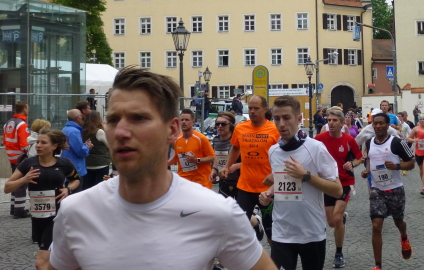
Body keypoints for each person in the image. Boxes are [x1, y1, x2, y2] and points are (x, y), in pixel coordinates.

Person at [49, 67, 275, 270]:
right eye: (114, 119)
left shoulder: (216, 213)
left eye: (139, 118)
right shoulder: (75, 212)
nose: (121, 132)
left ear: (171, 129)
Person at [259, 96, 342, 270]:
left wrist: (306, 176)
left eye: (286, 118)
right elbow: (284, 180)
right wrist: (269, 193)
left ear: (299, 119)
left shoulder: (315, 148)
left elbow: (337, 190)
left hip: (311, 233)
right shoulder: (273, 151)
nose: (281, 124)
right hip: (282, 233)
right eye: (277, 118)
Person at [5, 128, 79, 270]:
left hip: (58, 216)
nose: (38, 145)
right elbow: (7, 187)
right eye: (37, 142)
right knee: (51, 258)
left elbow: (76, 180)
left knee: (40, 262)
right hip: (38, 218)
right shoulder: (28, 164)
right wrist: (24, 179)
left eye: (43, 143)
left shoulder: (64, 163)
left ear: (54, 146)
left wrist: (68, 189)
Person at [360, 111, 415, 270]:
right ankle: (378, 265)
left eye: (381, 123)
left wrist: (397, 166)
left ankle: (404, 236)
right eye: (375, 124)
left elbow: (411, 163)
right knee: (376, 226)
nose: (377, 126)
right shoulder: (369, 143)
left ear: (387, 125)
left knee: (399, 222)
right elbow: (369, 161)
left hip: (395, 189)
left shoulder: (397, 142)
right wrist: (367, 171)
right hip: (377, 190)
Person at [222, 95, 279, 242]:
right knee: (239, 228)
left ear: (265, 109)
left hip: (267, 189)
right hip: (245, 187)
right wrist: (227, 166)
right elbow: (235, 148)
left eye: (256, 108)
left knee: (272, 232)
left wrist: (276, 174)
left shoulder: (274, 129)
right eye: (250, 108)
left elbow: (283, 155)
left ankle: (274, 258)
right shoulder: (241, 128)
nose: (252, 111)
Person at [315, 107, 365, 268]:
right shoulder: (319, 139)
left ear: (342, 123)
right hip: (328, 183)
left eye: (334, 120)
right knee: (331, 222)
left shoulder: (348, 140)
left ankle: (339, 253)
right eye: (329, 120)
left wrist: (352, 164)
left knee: (336, 218)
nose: (331, 123)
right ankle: (342, 219)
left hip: (344, 182)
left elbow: (359, 158)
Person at [167, 108, 215, 189]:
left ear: (193, 122)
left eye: (187, 120)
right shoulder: (177, 139)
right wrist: (164, 164)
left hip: (200, 182)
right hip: (184, 180)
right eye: (182, 120)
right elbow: (177, 157)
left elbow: (212, 158)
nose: (184, 122)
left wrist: (197, 160)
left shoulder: (201, 139)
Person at [3, 101, 31, 218]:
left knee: (14, 182)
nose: (28, 110)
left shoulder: (8, 123)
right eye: (27, 108)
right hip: (20, 157)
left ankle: (13, 208)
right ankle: (19, 210)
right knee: (21, 183)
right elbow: (24, 144)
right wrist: (29, 152)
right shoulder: (22, 124)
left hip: (11, 157)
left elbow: (4, 140)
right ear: (24, 109)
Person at [60, 109, 93, 191]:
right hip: (76, 167)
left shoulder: (65, 129)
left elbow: (73, 146)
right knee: (76, 192)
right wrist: (88, 147)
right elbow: (80, 151)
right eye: (81, 116)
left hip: (67, 165)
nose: (82, 118)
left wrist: (84, 145)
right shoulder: (74, 131)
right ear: (78, 118)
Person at [81, 111, 111, 190]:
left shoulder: (83, 131)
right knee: (100, 189)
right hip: (101, 164)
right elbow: (109, 145)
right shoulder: (99, 131)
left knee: (89, 188)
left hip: (88, 163)